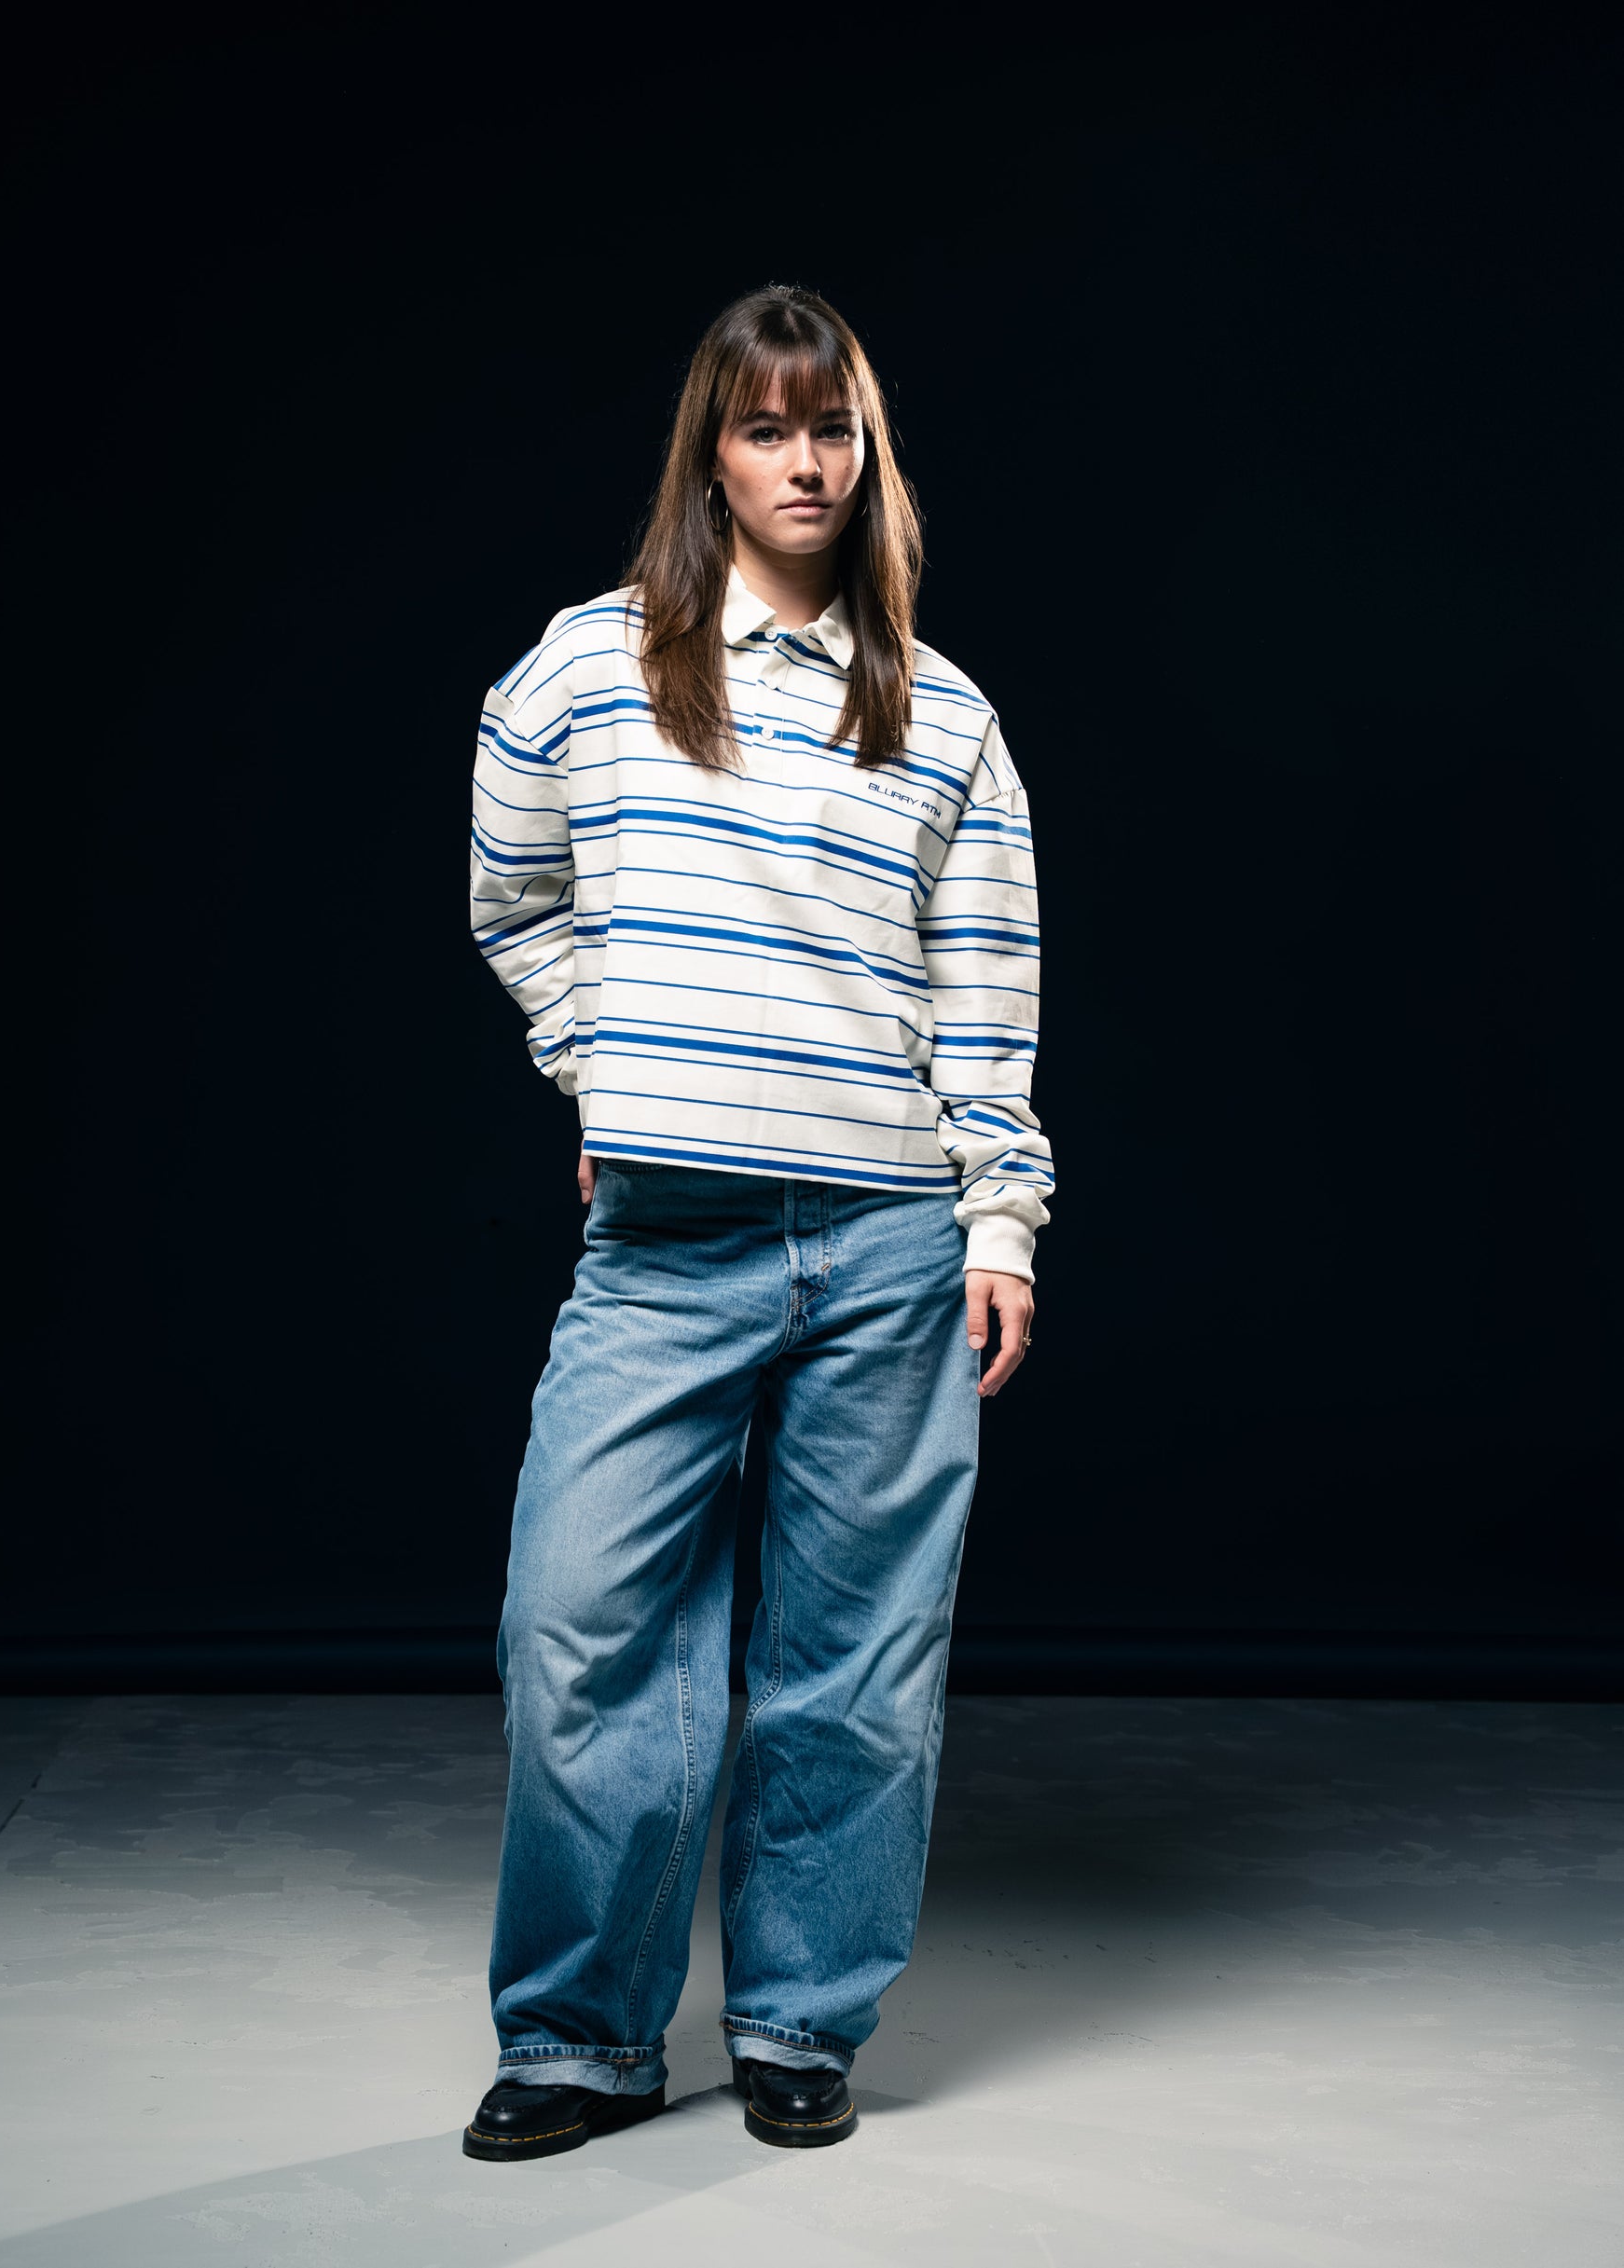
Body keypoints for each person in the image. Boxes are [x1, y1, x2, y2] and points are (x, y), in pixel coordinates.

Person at [461, 284, 1053, 2162]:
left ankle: (800, 2018)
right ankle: (582, 2035)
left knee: (854, 1665)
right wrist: (602, 1066)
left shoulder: (941, 711)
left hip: (889, 1244)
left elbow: (986, 996)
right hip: (666, 1240)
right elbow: (516, 897)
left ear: (867, 451)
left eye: (833, 427)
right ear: (707, 453)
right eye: (765, 427)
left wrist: (1000, 1221)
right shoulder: (587, 666)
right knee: (578, 1630)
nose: (805, 463)